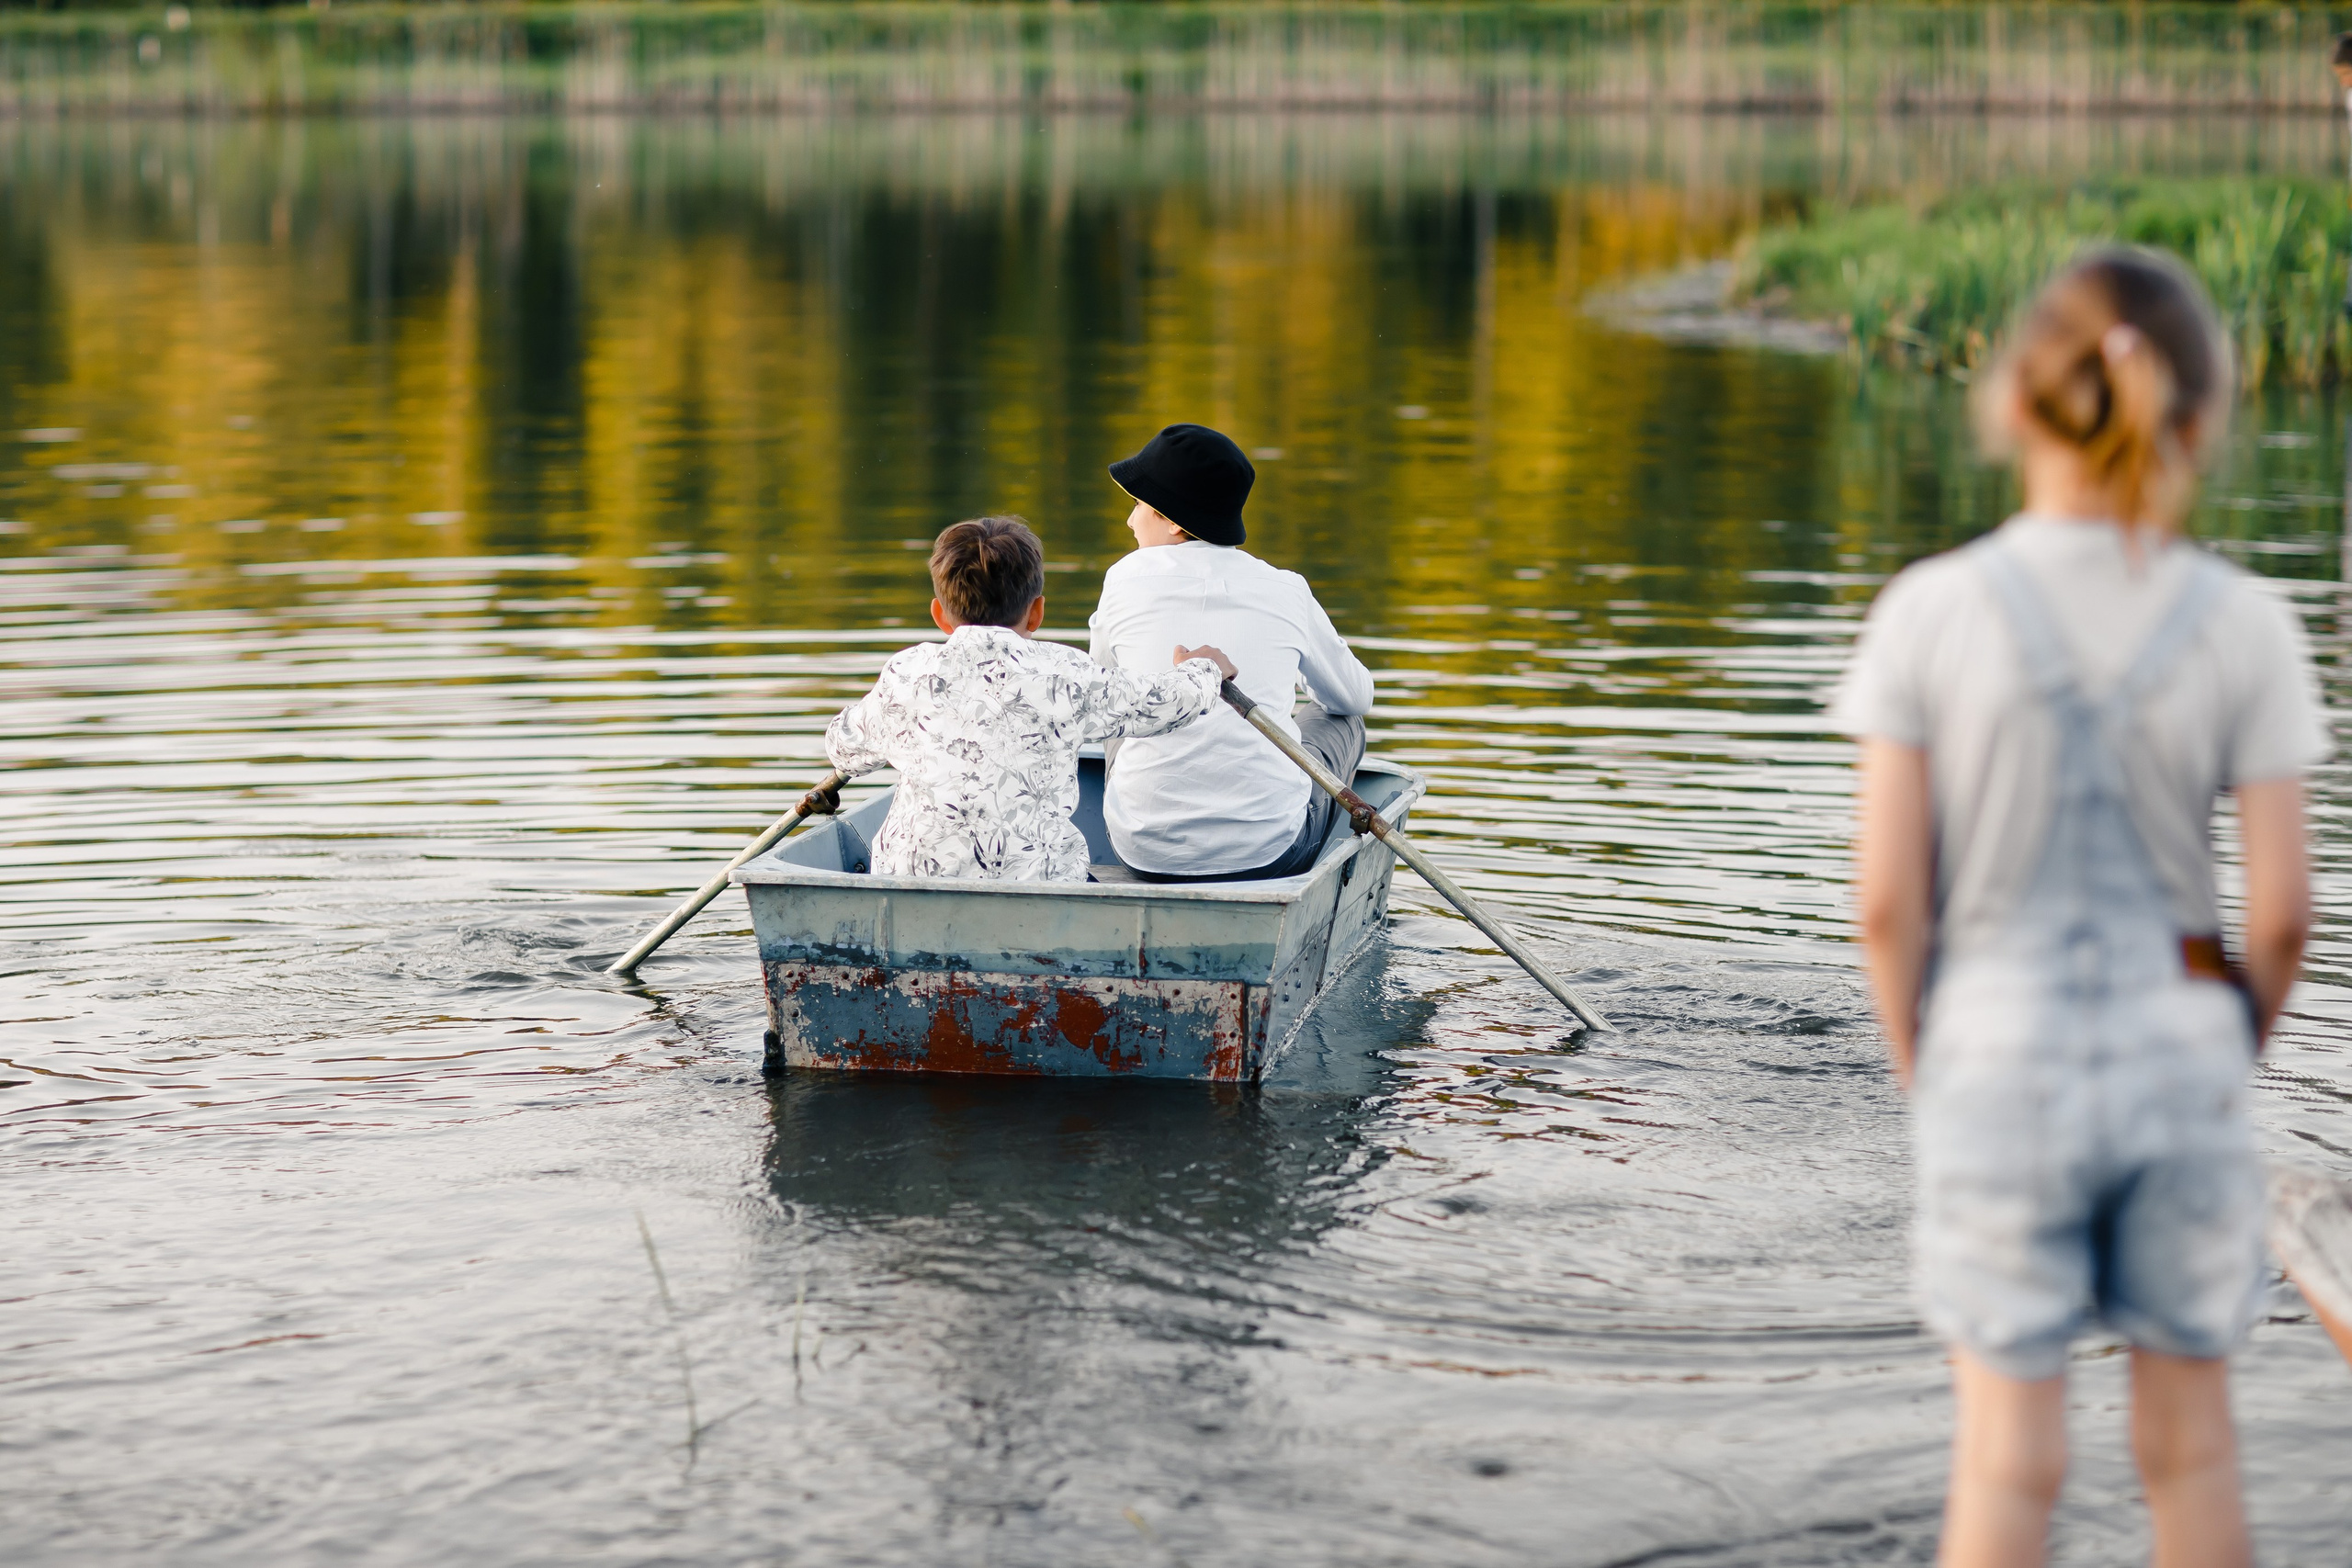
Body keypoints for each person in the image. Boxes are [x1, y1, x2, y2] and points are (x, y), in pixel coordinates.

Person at [1838, 249, 2324, 1567]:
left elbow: (1885, 904)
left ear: (2009, 400)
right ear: (2200, 419)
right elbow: (2284, 914)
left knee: (2008, 1460)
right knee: (2192, 1449)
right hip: (2181, 1042)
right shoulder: (2247, 622)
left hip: (1993, 1049)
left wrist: (1928, 1070)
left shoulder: (1929, 611)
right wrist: (2221, 1052)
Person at [826, 514, 1236, 883]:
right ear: (1037, 612)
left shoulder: (907, 672)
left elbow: (843, 747)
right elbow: (1161, 704)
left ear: (939, 615)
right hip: (1038, 883)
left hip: (909, 881)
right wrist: (1204, 669)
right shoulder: (1065, 672)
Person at [1089, 423, 1375, 882]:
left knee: (1118, 703)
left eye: (1138, 505)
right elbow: (1355, 698)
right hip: (1270, 852)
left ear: (1174, 522)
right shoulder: (1287, 588)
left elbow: (1100, 688)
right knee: (1345, 719)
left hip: (1144, 852)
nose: (1130, 520)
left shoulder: (1123, 578)